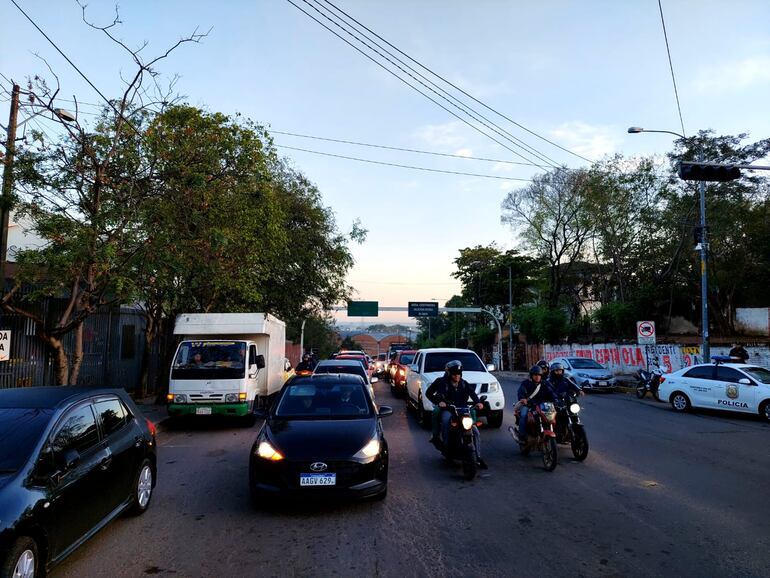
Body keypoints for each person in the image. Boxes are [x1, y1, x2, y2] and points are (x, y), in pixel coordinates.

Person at [425, 360, 487, 469]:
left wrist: (478, 402)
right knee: (446, 421)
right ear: (449, 373)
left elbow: (472, 393)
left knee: (475, 430)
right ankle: (446, 448)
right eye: (454, 374)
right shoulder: (442, 383)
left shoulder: (464, 383)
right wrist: (439, 402)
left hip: (463, 410)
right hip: (449, 410)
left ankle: (478, 457)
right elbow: (432, 394)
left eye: (459, 374)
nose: (457, 376)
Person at [515, 365, 556, 444]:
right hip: (529, 405)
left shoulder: (544, 384)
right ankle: (521, 436)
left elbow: (551, 392)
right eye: (535, 375)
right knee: (523, 415)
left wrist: (556, 399)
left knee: (553, 414)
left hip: (542, 405)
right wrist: (522, 398)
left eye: (539, 375)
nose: (537, 377)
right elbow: (521, 392)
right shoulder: (526, 383)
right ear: (532, 375)